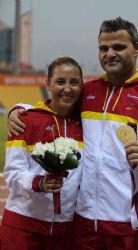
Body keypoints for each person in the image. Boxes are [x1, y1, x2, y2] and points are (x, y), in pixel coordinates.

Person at [7, 17, 138, 250]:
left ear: (137, 48)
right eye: (104, 48)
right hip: (85, 223)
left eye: (118, 47)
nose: (110, 54)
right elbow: (56, 105)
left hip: (133, 227)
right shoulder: (89, 91)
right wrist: (19, 109)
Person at [1, 57, 83, 250]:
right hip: (23, 228)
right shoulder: (26, 121)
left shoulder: (85, 124)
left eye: (74, 82)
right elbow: (12, 174)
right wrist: (39, 183)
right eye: (60, 82)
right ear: (47, 84)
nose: (67, 88)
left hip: (65, 231)